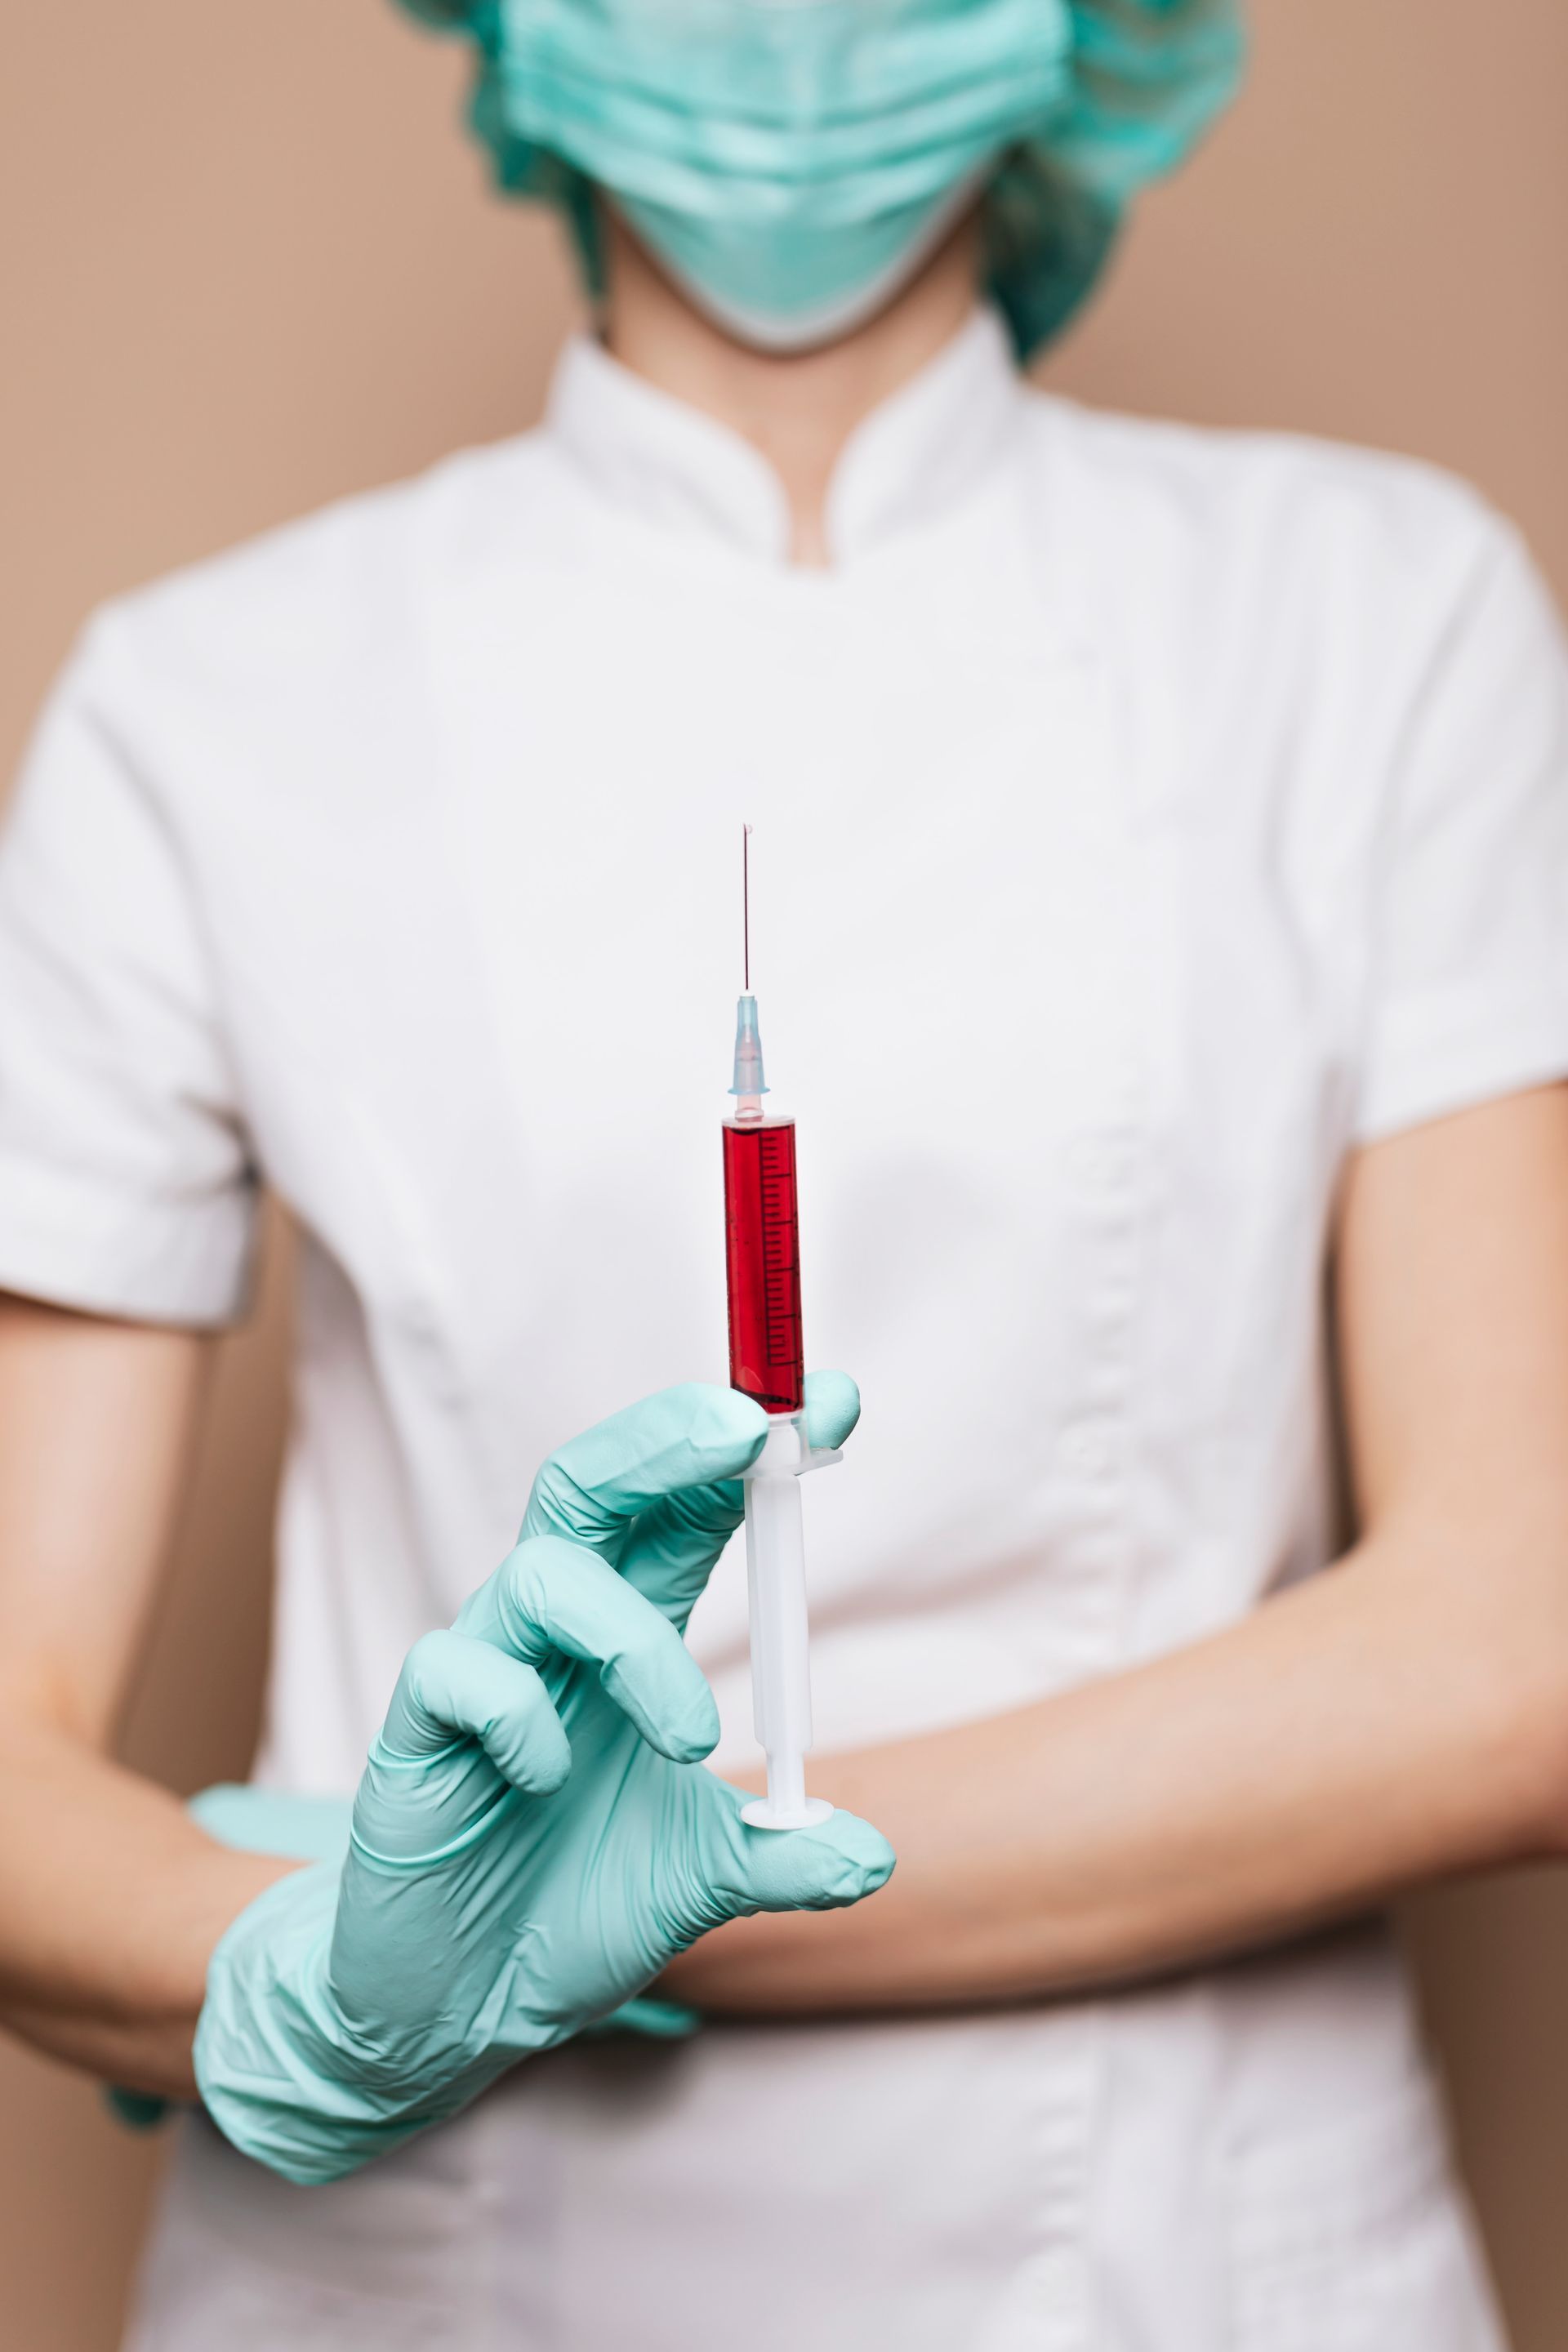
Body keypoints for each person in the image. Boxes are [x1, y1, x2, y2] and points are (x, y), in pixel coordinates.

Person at [1, 0, 1565, 2343]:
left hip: (1185, 2259)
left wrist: (572, 1924)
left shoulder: (1375, 614)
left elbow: (1512, 1657)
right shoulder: (203, 700)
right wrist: (324, 1973)